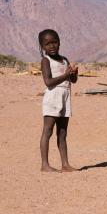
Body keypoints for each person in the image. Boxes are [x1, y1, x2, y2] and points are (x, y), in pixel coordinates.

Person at [38, 29, 78, 172]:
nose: (52, 46)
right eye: (47, 44)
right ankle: (45, 164)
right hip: (52, 98)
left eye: (54, 42)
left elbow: (72, 80)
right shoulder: (45, 61)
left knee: (62, 132)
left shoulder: (64, 60)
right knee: (47, 131)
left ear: (59, 42)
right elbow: (48, 82)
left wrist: (73, 74)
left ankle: (65, 164)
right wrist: (66, 74)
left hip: (65, 97)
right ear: (42, 47)